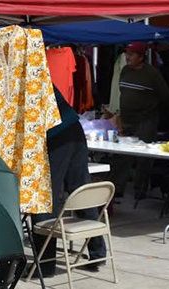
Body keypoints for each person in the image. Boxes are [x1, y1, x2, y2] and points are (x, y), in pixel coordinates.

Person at [31, 86, 107, 276]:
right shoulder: (34, 67)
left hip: (55, 133)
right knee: (80, 190)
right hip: (73, 129)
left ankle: (46, 264)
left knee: (45, 195)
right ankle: (98, 253)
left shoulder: (13, 74)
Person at [110, 41, 169, 200]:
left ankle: (140, 189)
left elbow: (166, 97)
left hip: (146, 120)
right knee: (122, 154)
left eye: (131, 54)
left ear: (141, 56)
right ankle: (117, 188)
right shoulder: (125, 71)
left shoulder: (152, 73)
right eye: (127, 54)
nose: (127, 57)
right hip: (127, 119)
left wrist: (152, 109)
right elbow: (123, 94)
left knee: (143, 156)